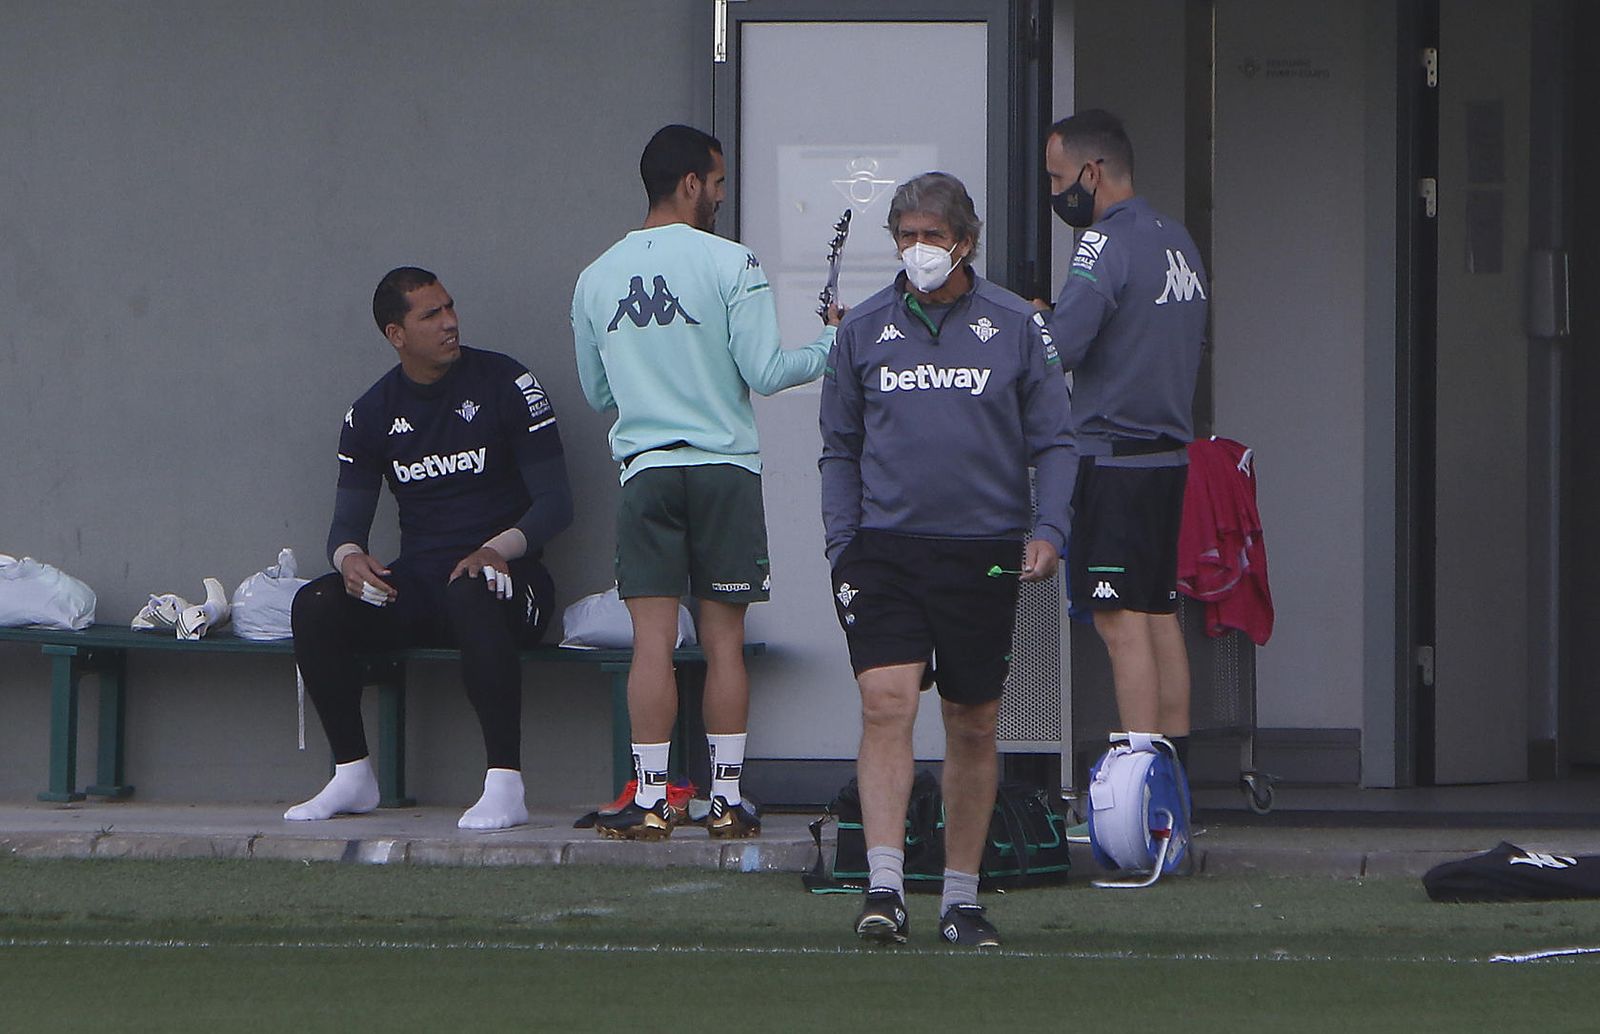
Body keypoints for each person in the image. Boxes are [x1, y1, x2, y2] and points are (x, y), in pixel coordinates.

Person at [819, 172, 1076, 947]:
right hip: (884, 552)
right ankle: (884, 886)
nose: (919, 249)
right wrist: (842, 545)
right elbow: (839, 447)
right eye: (906, 234)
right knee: (886, 704)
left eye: (933, 234)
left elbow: (1056, 441)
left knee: (973, 720)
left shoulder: (1015, 327)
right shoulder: (862, 329)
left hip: (985, 551)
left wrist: (1050, 530)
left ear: (965, 238)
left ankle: (961, 898)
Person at [571, 124, 840, 840]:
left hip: (647, 473)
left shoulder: (596, 276)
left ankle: (653, 799)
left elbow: (598, 392)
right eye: (717, 183)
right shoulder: (733, 262)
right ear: (691, 183)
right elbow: (767, 373)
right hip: (723, 470)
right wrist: (831, 342)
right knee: (724, 642)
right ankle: (725, 801)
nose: (721, 195)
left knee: (651, 644)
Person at [286, 267, 573, 831]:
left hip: (511, 583)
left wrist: (496, 549)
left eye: (449, 308)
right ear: (397, 335)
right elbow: (345, 526)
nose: (450, 323)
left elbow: (557, 505)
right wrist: (349, 560)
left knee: (471, 589)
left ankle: (505, 784)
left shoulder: (505, 381)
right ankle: (353, 775)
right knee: (314, 603)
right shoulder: (371, 412)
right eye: (431, 315)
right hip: (423, 587)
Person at [1043, 110, 1208, 769]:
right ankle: (1173, 775)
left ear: (1092, 172)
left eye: (1058, 179)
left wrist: (1028, 330)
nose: (1056, 194)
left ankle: (1138, 784)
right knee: (1159, 609)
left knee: (1119, 621)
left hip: (1112, 460)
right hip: (1168, 462)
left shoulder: (1102, 245)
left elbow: (1063, 345)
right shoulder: (1178, 239)